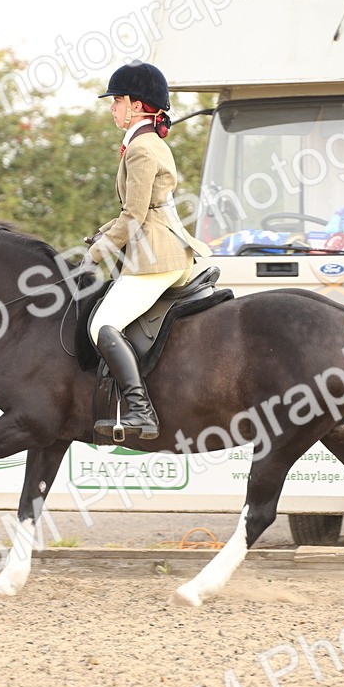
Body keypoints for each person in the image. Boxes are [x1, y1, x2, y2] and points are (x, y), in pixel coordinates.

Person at [81, 61, 211, 440]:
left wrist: (95, 254)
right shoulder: (149, 142)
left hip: (156, 255)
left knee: (101, 326)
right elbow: (138, 212)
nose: (112, 108)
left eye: (117, 100)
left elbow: (135, 215)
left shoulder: (140, 149)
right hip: (162, 245)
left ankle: (141, 412)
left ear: (137, 105)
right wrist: (99, 235)